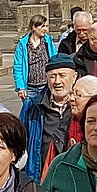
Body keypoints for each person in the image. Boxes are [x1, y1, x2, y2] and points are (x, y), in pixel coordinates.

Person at [19, 53, 78, 181]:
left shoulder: (81, 106)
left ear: (74, 77)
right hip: (41, 177)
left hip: (75, 176)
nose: (57, 81)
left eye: (62, 75)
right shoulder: (32, 106)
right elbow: (20, 143)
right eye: (52, 76)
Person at [11, 15, 56, 105]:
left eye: (46, 26)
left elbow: (55, 60)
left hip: (45, 86)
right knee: (29, 111)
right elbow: (18, 67)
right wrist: (20, 87)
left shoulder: (48, 41)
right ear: (34, 27)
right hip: (29, 88)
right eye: (42, 26)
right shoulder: (23, 44)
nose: (45, 29)